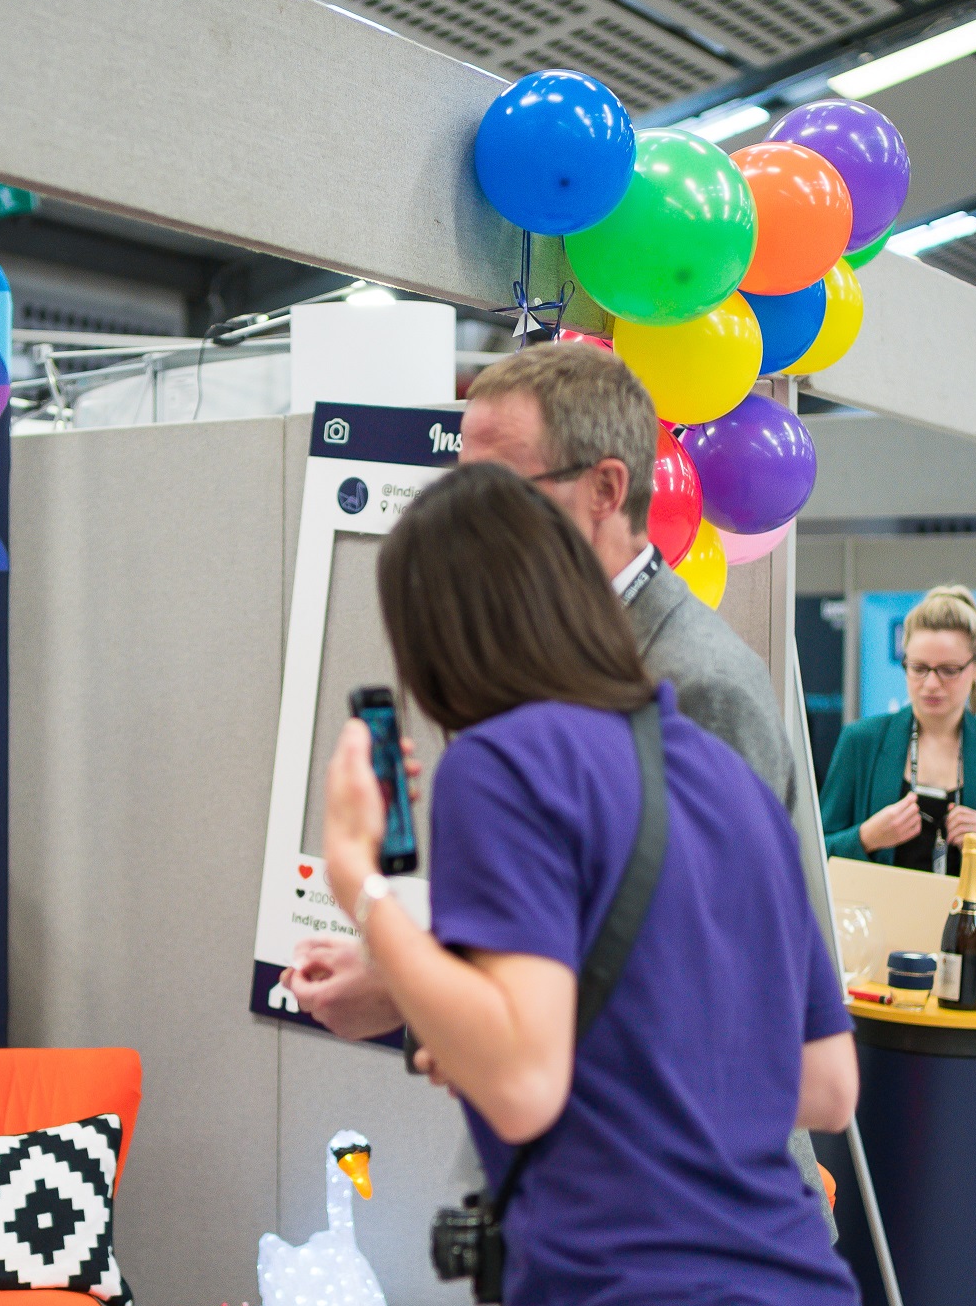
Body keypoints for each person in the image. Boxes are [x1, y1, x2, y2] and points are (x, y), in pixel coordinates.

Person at [317, 463, 861, 1306]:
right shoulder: (724, 774)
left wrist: (362, 881)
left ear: (437, 635)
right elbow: (824, 1082)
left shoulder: (504, 759)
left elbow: (522, 1081)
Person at [285, 342, 834, 1226]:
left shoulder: (698, 686)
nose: (468, 519)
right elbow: (585, 923)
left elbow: (706, 1001)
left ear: (606, 490)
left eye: (499, 488)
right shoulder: (550, 667)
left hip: (686, 1220)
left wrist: (404, 980)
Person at [821, 584, 976, 902]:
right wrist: (867, 837)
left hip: (966, 931)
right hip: (879, 929)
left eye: (949, 670)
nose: (931, 684)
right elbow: (814, 855)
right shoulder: (861, 742)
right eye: (919, 668)